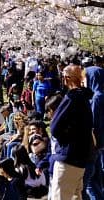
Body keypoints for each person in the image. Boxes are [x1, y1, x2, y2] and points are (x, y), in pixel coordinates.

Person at [50, 64, 94, 200]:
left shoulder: (72, 98)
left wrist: (66, 139)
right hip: (81, 157)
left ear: (67, 78)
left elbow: (55, 127)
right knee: (76, 196)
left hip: (68, 157)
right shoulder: (86, 98)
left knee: (60, 196)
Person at [82, 66, 104, 200]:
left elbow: (93, 123)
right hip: (101, 143)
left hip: (95, 143)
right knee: (97, 178)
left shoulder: (96, 98)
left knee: (90, 181)